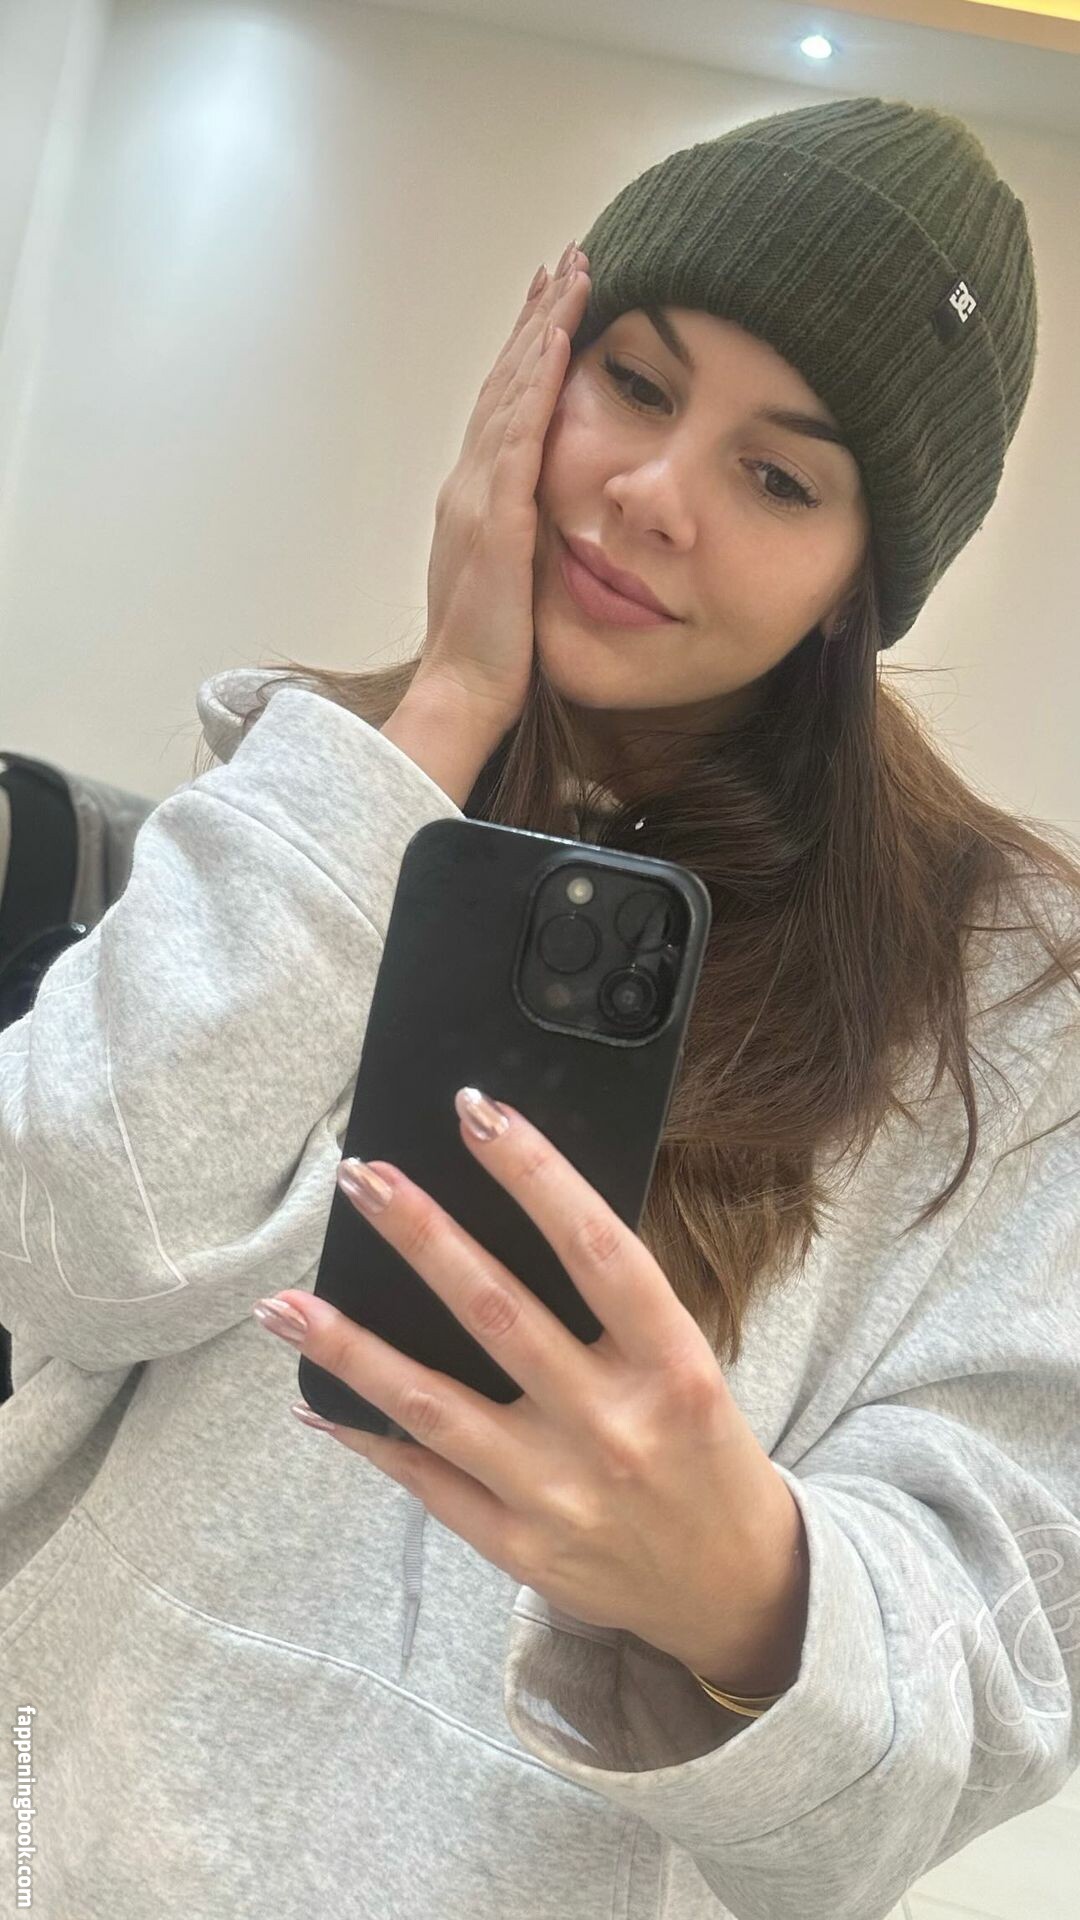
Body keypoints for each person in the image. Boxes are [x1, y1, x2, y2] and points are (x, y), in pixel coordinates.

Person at [1, 93, 1077, 1920]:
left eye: (781, 479)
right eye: (635, 383)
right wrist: (435, 717)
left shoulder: (1004, 1006)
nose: (652, 492)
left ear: (859, 586)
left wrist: (750, 1591)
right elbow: (53, 1243)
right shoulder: (314, 792)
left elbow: (975, 1692)